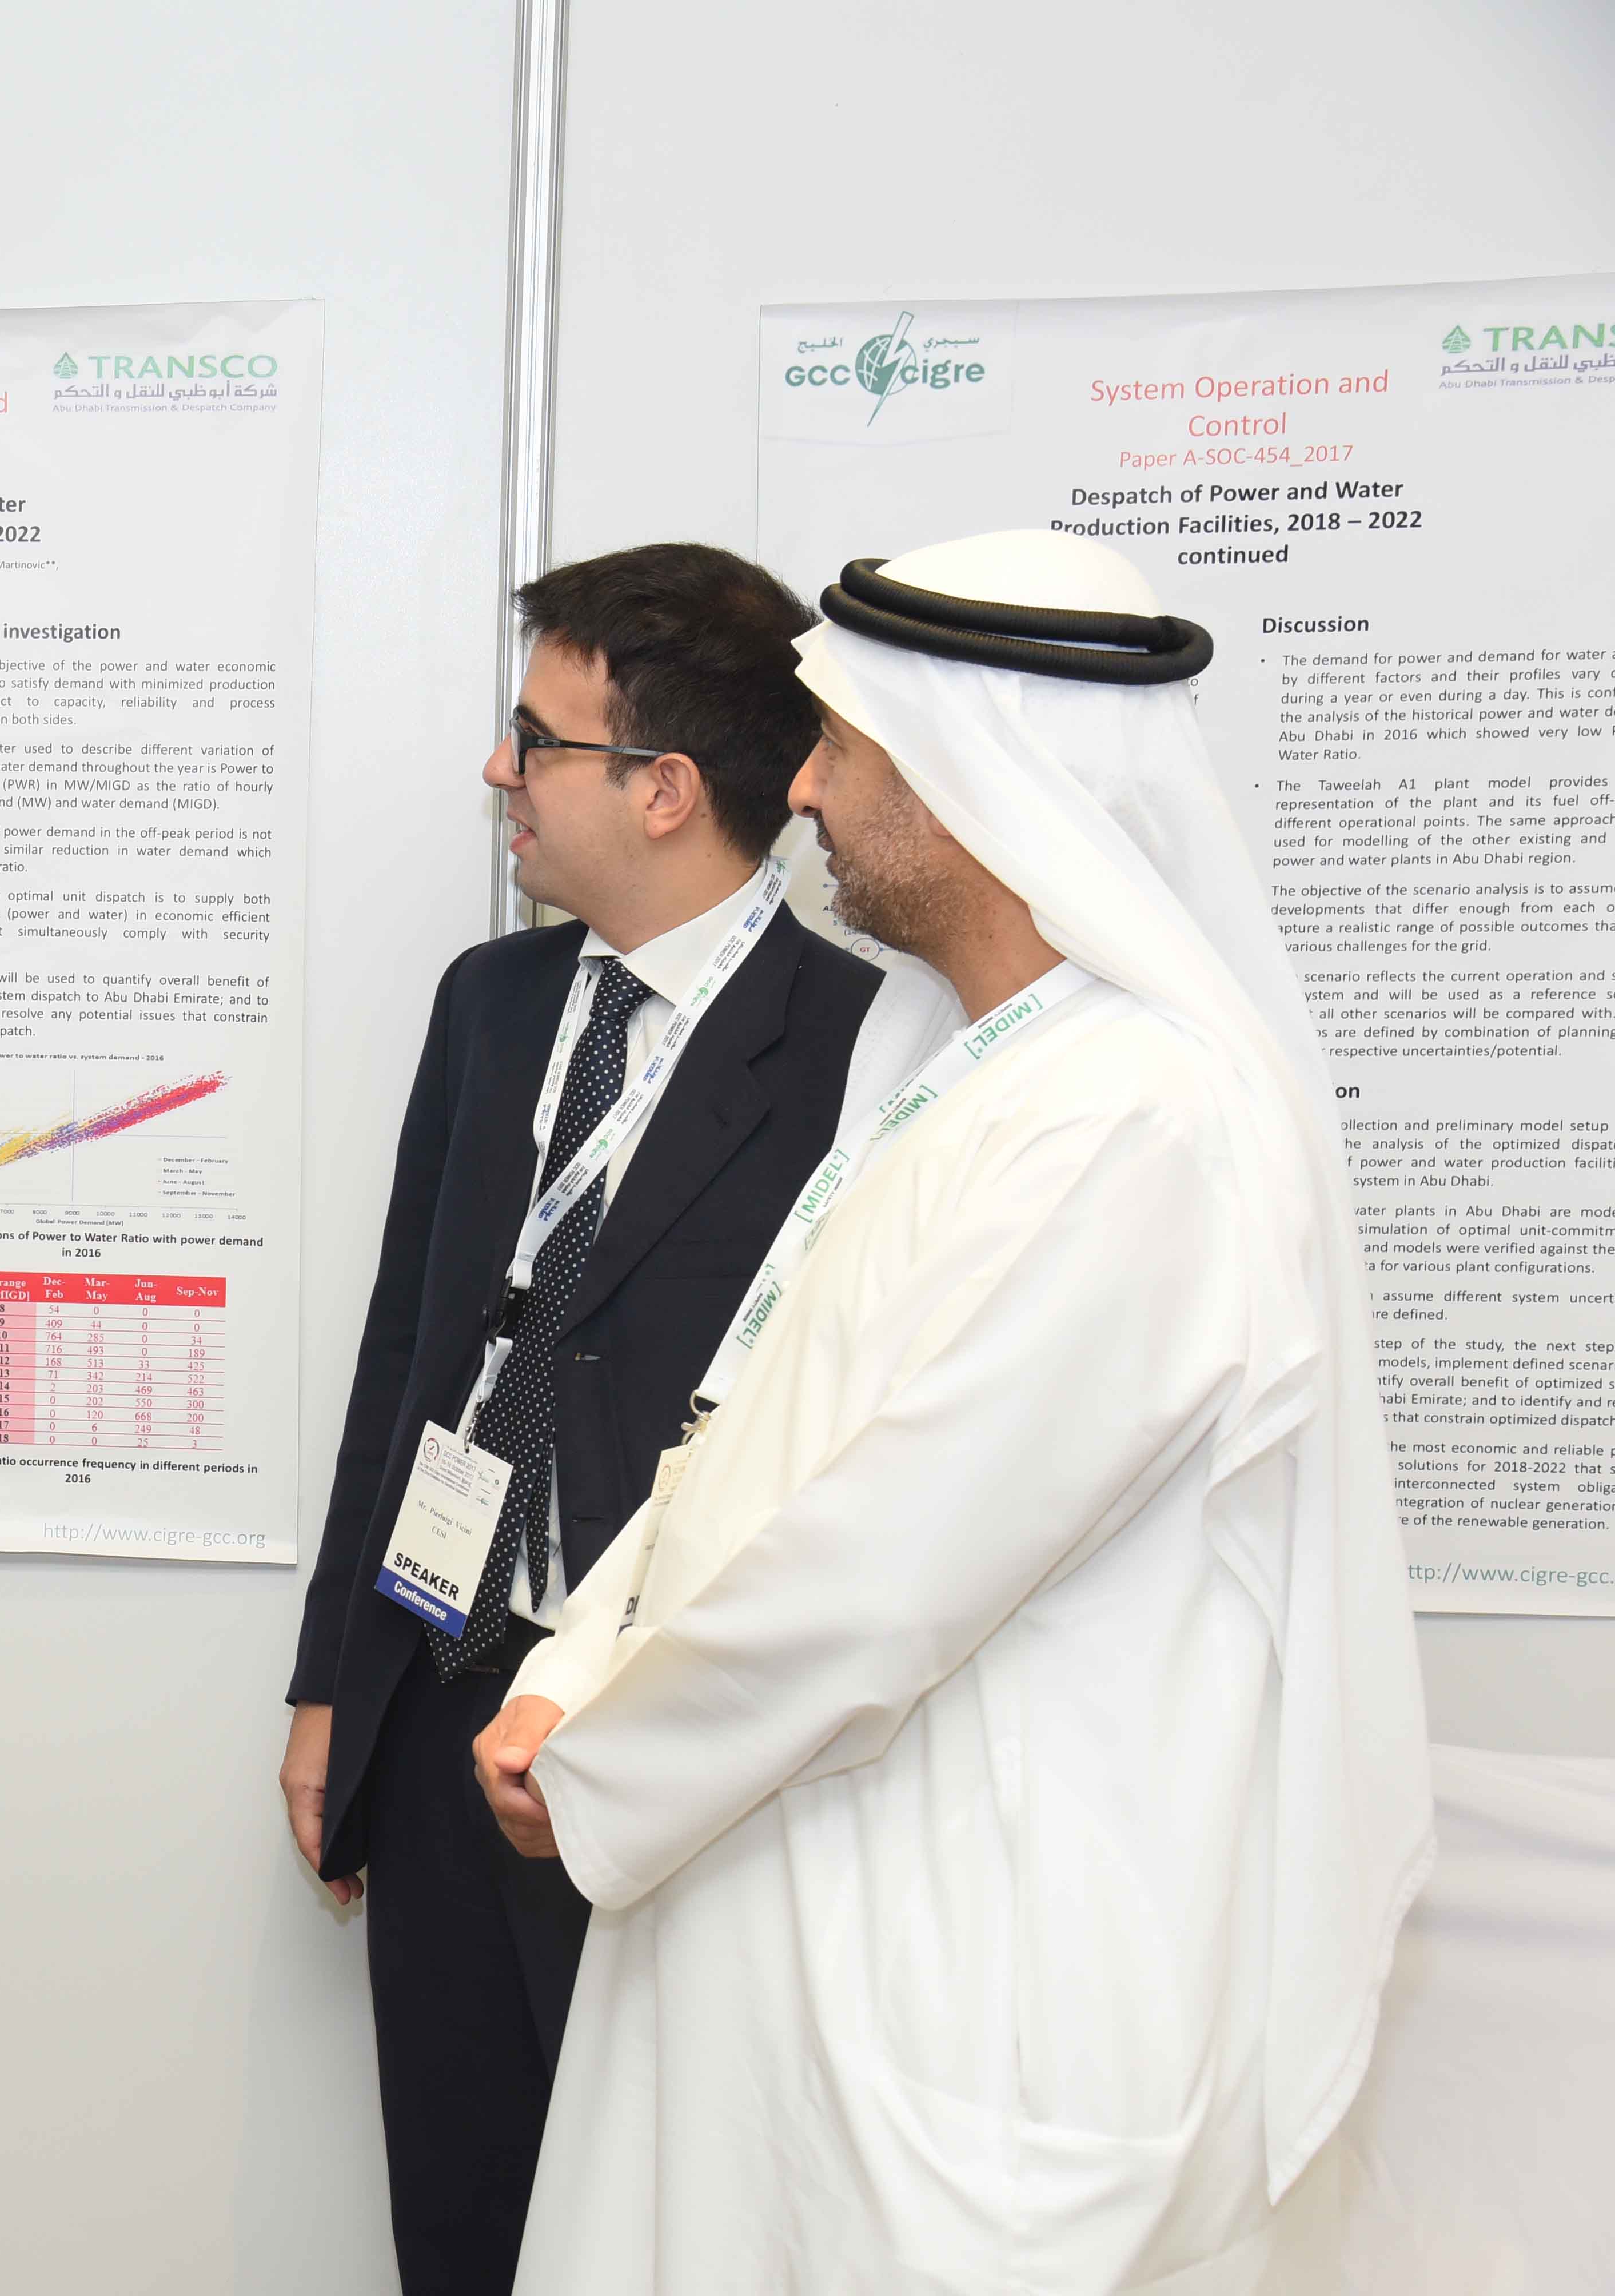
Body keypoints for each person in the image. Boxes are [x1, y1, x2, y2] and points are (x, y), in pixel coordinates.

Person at [476, 531, 1435, 2295]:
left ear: (981, 780)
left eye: (844, 748)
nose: (806, 791)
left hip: (972, 1977)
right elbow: (746, 1434)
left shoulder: (1149, 1125)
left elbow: (886, 1564)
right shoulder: (968, 1068)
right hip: (798, 1912)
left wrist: (600, 1754)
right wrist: (572, 1671)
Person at [281, 544, 902, 2293]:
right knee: (461, 2221)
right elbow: (408, 1355)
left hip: (666, 1742)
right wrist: (333, 1684)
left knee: (664, 2232)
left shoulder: (862, 1047)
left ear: (665, 788)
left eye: (535, 740)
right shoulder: (490, 1007)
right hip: (437, 1690)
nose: (500, 772)